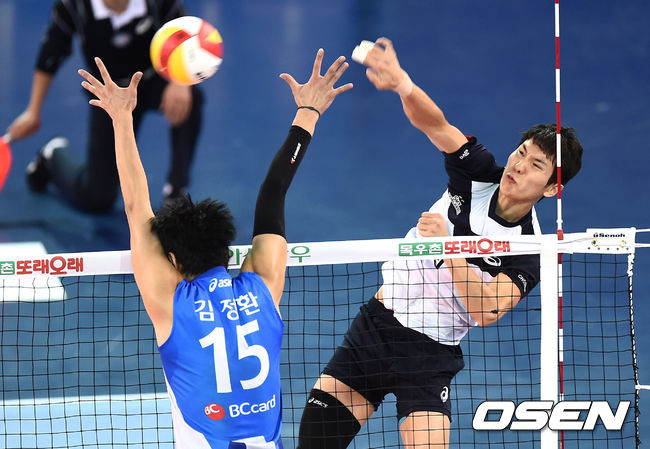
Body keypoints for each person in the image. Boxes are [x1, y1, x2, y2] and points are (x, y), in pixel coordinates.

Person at [297, 38, 583, 449]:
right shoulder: (478, 174)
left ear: (552, 189)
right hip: (376, 328)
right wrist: (403, 84)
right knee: (314, 444)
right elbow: (436, 125)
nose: (518, 166)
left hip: (429, 357)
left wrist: (449, 248)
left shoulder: (530, 251)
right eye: (521, 152)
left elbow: (487, 310)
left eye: (536, 165)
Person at [78, 48, 352, 448]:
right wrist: (308, 112)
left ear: (173, 259)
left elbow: (136, 208)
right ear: (227, 248)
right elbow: (274, 192)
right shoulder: (262, 288)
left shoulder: (171, 303)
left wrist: (122, 118)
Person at [9, 0, 203, 212]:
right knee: (97, 198)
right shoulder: (72, 6)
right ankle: (53, 156)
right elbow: (50, 55)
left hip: (152, 80)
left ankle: (176, 192)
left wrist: (180, 81)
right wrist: (33, 111)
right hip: (108, 94)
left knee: (192, 97)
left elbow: (184, 35)